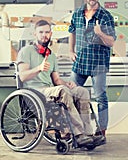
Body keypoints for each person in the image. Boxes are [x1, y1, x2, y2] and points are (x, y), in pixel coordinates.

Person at [17, 19, 104, 147]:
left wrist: (68, 83)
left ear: (51, 34)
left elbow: (57, 80)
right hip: (35, 92)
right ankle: (79, 134)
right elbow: (23, 76)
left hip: (50, 89)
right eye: (41, 32)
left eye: (47, 32)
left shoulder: (51, 55)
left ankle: (88, 134)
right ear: (34, 34)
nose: (44, 35)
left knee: (81, 91)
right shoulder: (26, 51)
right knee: (62, 91)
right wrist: (38, 68)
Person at [68, 0, 116, 138]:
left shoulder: (105, 16)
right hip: (80, 61)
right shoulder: (77, 14)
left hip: (98, 63)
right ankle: (74, 130)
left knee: (100, 97)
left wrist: (100, 33)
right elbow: (72, 32)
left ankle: (101, 130)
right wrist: (70, 50)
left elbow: (111, 42)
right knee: (71, 94)